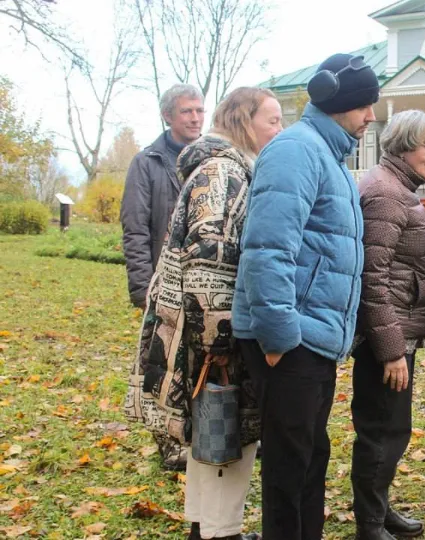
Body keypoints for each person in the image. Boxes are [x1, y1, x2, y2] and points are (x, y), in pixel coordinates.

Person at [123, 86, 283, 540]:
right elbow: (208, 264)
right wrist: (220, 342)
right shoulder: (222, 173)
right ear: (242, 121)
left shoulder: (221, 168)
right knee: (224, 436)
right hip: (211, 338)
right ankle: (220, 532)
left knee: (211, 436)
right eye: (272, 120)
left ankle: (206, 529)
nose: (279, 130)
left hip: (202, 333)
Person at [232, 53, 378, 540]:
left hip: (313, 338)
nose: (371, 116)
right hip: (290, 340)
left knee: (311, 456)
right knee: (290, 468)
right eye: (365, 105)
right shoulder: (297, 150)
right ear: (340, 102)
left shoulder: (327, 155)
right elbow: (267, 251)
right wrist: (279, 336)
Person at [351, 109, 425, 540]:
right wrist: (390, 349)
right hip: (386, 338)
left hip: (398, 330)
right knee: (381, 431)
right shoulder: (387, 193)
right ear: (405, 144)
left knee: (393, 429)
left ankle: (380, 509)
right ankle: (369, 524)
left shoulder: (396, 187)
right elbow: (373, 277)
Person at [121, 83, 205, 471]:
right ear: (168, 116)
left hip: (199, 284)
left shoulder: (206, 160)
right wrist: (141, 286)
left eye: (199, 110)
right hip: (160, 284)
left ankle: (193, 432)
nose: (195, 118)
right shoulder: (148, 162)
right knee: (160, 363)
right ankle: (168, 443)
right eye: (187, 111)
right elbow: (135, 227)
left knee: (194, 361)